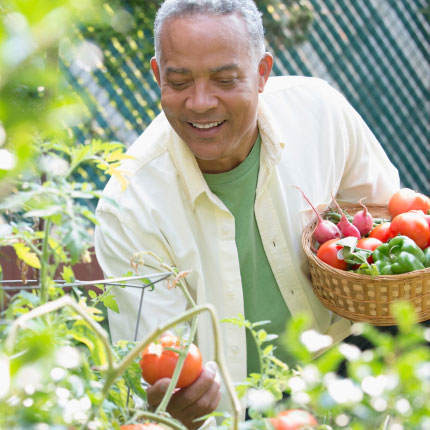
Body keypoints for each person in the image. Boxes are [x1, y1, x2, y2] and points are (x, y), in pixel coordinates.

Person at [94, 0, 400, 428]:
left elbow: (397, 229)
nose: (200, 103)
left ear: (261, 73)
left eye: (224, 79)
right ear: (157, 76)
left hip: (355, 356)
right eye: (179, 81)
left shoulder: (319, 113)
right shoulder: (130, 206)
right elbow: (160, 366)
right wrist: (174, 403)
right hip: (242, 411)